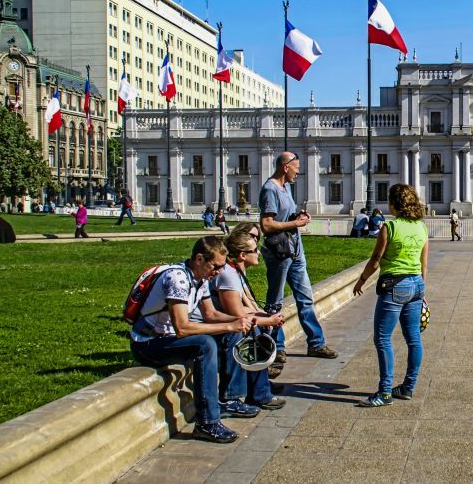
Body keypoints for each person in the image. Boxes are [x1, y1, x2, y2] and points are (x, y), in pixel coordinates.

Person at [129, 236, 256, 443]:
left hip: (167, 338)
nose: (219, 272)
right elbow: (182, 327)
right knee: (204, 345)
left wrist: (243, 319)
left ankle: (230, 398)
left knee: (231, 332)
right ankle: (207, 423)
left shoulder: (201, 279)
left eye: (222, 267)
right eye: (215, 267)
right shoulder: (177, 279)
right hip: (148, 343)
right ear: (199, 259)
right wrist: (230, 324)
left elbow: (211, 315)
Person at [353, 184, 428, 407]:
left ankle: (385, 392)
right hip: (417, 284)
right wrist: (423, 290)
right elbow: (424, 263)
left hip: (395, 285)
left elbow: (376, 259)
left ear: (394, 203)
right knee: (414, 339)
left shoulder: (390, 227)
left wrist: (362, 280)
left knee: (383, 338)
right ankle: (407, 387)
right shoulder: (421, 228)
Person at [260, 151, 337, 367]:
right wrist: (295, 224)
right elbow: (266, 225)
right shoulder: (270, 189)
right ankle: (278, 346)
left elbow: (285, 217)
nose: (298, 171)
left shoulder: (287, 188)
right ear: (285, 167)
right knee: (275, 301)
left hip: (296, 250)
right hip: (280, 252)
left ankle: (316, 342)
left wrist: (299, 217)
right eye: (296, 167)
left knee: (305, 297)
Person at [210, 227, 287, 411]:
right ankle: (256, 394)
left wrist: (265, 316)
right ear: (243, 255)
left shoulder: (234, 271)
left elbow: (244, 308)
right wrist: (267, 320)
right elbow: (236, 316)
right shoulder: (228, 274)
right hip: (214, 326)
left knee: (263, 326)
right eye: (255, 250)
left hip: (221, 322)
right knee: (253, 332)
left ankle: (261, 388)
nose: (259, 252)